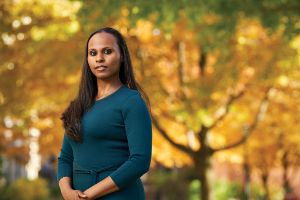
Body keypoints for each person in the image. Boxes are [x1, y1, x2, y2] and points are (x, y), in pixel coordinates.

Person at [57, 27, 152, 200]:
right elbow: (65, 157)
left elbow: (140, 161)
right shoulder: (78, 106)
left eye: (107, 51)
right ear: (87, 59)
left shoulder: (132, 101)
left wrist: (88, 195)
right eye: (93, 53)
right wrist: (67, 192)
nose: (99, 58)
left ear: (122, 55)